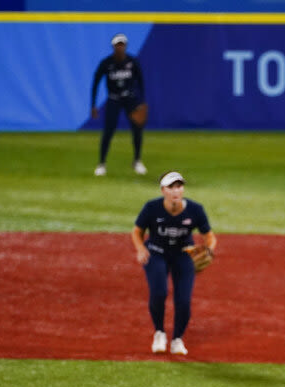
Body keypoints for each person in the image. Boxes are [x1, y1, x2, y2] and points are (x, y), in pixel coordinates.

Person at [131, 171, 216, 356]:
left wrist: (209, 250)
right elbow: (137, 231)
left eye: (179, 186)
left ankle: (177, 339)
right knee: (159, 292)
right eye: (171, 187)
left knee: (183, 301)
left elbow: (209, 236)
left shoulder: (195, 209)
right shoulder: (152, 208)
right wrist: (140, 248)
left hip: (183, 255)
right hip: (156, 253)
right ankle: (159, 332)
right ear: (163, 190)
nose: (176, 191)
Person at [90, 33, 147, 177]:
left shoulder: (132, 62)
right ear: (113, 46)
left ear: (126, 46)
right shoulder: (107, 63)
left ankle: (137, 160)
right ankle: (101, 163)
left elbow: (141, 82)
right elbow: (96, 82)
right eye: (118, 45)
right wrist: (93, 104)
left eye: (122, 44)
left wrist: (142, 102)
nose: (120, 47)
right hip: (113, 99)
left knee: (137, 129)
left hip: (130, 98)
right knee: (108, 131)